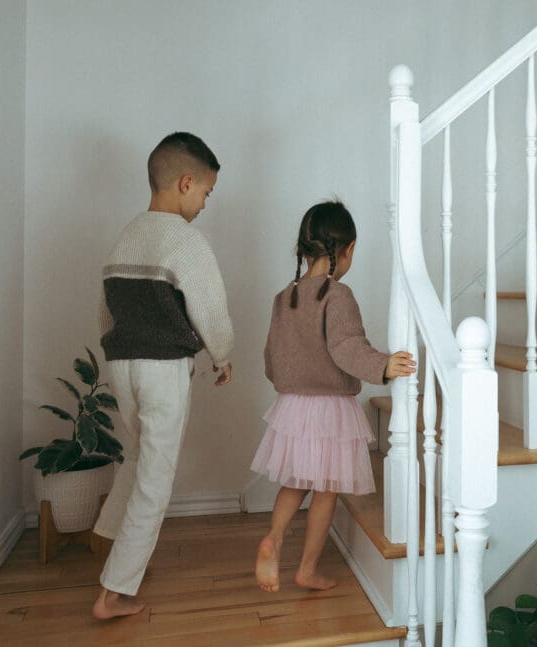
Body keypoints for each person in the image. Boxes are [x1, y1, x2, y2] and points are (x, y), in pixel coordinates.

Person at [91, 132, 235, 619]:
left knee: (137, 456)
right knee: (156, 476)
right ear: (186, 182)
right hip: (162, 369)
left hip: (121, 364)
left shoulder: (126, 234)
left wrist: (115, 354)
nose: (204, 204)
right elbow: (209, 305)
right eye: (206, 194)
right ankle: (115, 591)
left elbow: (106, 311)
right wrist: (223, 353)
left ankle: (107, 536)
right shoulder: (186, 241)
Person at [252, 200, 415, 592]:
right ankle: (306, 568)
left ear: (304, 248)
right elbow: (346, 346)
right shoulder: (337, 295)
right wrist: (383, 365)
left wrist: (284, 381)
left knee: (294, 482)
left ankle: (273, 538)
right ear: (349, 249)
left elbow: (271, 355)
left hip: (293, 405)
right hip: (330, 409)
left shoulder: (284, 297)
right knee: (325, 490)